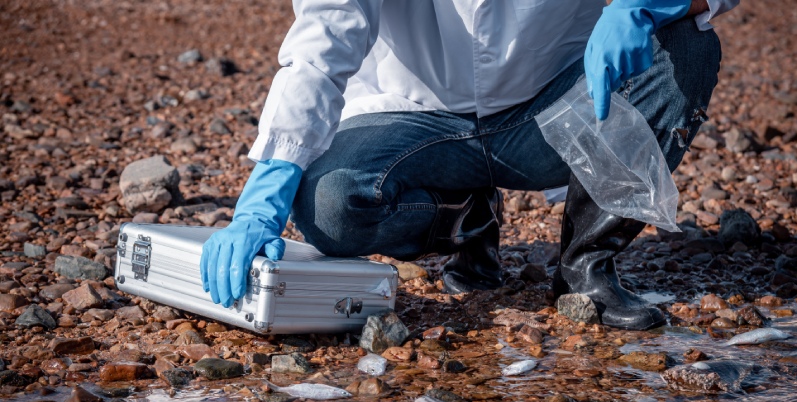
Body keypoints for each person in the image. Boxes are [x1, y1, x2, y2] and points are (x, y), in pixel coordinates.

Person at [200, 0, 740, 331]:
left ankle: (585, 268)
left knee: (686, 45)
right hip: (416, 121)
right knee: (331, 203)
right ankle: (466, 216)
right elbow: (324, 36)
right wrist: (265, 190)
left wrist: (644, 4)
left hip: (554, 110)